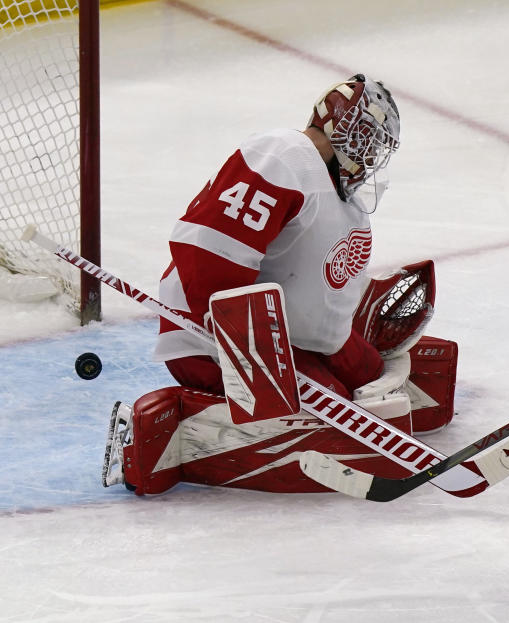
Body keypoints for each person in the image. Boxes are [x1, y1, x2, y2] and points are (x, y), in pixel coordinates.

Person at [101, 74, 459, 496]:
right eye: (370, 140)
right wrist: (239, 339)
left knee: (366, 380)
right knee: (331, 411)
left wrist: (355, 347)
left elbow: (320, 304)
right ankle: (170, 428)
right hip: (217, 340)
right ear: (347, 128)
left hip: (283, 339)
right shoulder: (284, 157)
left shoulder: (346, 205)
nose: (372, 156)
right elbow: (207, 255)